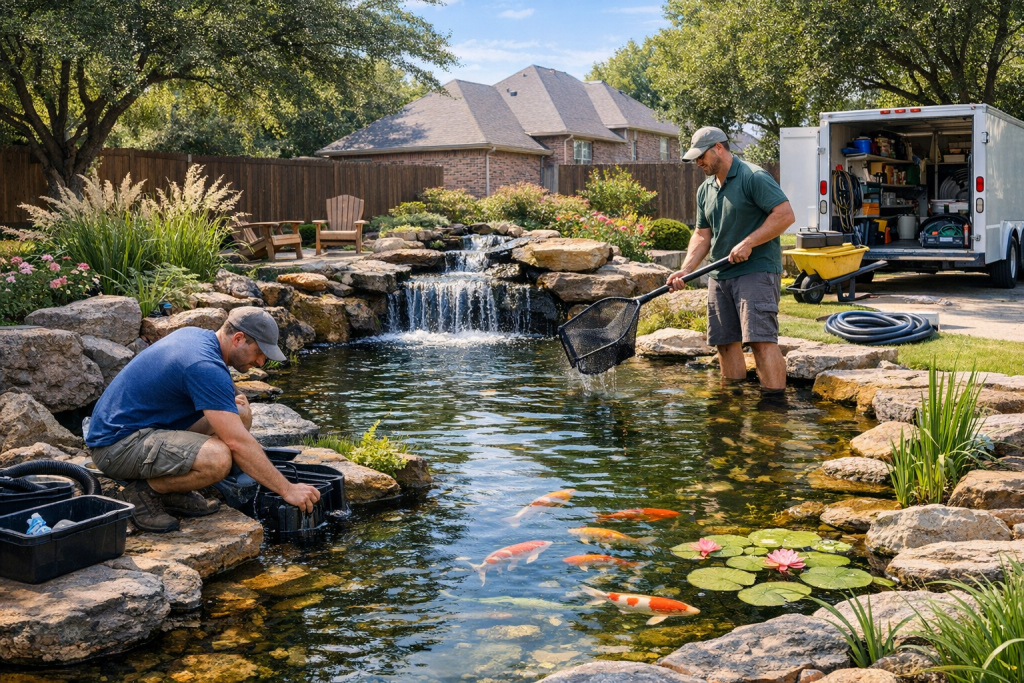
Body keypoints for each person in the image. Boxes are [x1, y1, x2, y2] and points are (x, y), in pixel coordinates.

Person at [86, 307, 320, 532]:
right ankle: (143, 492)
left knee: (239, 411)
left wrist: (253, 454)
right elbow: (237, 441)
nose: (261, 362)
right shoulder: (204, 365)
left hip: (144, 430)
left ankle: (173, 490)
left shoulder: (200, 339)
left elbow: (228, 405)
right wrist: (287, 489)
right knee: (217, 459)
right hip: (116, 447)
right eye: (259, 352)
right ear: (238, 338)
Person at [668, 126, 795, 393]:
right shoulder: (705, 190)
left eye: (701, 156)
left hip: (756, 272)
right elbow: (703, 235)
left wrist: (749, 242)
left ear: (719, 148)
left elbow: (784, 215)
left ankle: (774, 408)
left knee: (760, 341)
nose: (698, 162)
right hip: (720, 276)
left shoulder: (753, 176)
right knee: (725, 343)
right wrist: (685, 269)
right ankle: (734, 405)